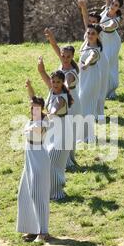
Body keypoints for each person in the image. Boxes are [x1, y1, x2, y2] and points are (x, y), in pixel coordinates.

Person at [16, 82, 51, 243]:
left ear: (41, 108)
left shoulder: (44, 121)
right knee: (25, 194)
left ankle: (43, 231)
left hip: (39, 161)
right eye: (31, 107)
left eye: (36, 108)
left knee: (38, 195)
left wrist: (31, 129)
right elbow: (32, 98)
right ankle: (32, 229)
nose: (33, 110)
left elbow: (39, 130)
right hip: (29, 160)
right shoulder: (33, 117)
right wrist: (29, 87)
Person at [44, 28, 81, 167]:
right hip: (61, 99)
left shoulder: (71, 72)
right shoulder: (62, 62)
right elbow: (55, 47)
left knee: (67, 130)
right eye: (63, 56)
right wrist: (51, 37)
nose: (65, 58)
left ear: (72, 57)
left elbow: (65, 84)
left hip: (70, 102)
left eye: (68, 57)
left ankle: (67, 160)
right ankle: (59, 156)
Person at [38, 58, 73, 200]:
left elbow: (56, 106)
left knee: (53, 162)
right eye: (53, 81)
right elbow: (44, 75)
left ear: (63, 82)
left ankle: (57, 192)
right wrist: (41, 68)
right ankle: (49, 191)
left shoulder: (62, 97)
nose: (55, 84)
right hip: (52, 132)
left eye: (58, 82)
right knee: (48, 160)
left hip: (63, 133)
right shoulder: (51, 90)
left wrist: (51, 113)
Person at [78, 23, 103, 141]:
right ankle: (81, 134)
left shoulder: (96, 50)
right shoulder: (85, 43)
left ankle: (87, 135)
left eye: (93, 33)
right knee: (81, 104)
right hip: (83, 78)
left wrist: (87, 63)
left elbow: (91, 56)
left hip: (91, 79)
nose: (90, 35)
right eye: (88, 33)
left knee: (86, 105)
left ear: (98, 36)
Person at [100, 0, 123, 99]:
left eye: (116, 5)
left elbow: (109, 27)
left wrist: (100, 27)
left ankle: (111, 89)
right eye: (113, 4)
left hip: (112, 42)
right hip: (102, 40)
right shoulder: (106, 10)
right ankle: (102, 89)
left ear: (119, 8)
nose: (113, 6)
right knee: (102, 64)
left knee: (110, 64)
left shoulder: (117, 19)